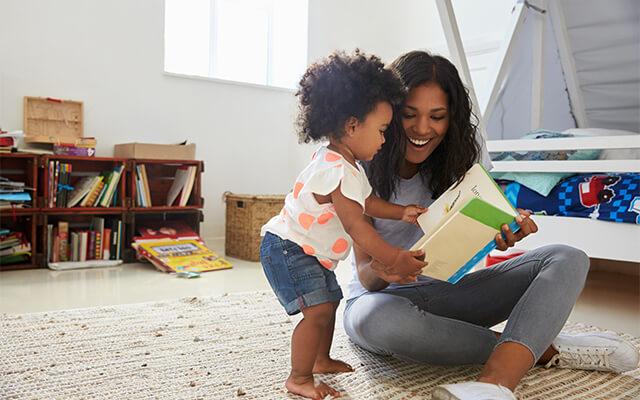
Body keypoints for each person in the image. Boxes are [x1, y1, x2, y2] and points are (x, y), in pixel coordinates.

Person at [343, 50, 640, 400]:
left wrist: (497, 236)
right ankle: (540, 348)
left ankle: (494, 386)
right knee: (375, 321)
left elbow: (473, 237)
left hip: (450, 292)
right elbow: (365, 274)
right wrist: (389, 268)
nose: (423, 129)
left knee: (568, 258)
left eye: (437, 117)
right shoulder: (360, 162)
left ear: (451, 119)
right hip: (382, 299)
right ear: (389, 114)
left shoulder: (464, 156)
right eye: (409, 115)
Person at [259, 50, 428, 400]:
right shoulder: (335, 170)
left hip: (306, 250)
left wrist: (401, 212)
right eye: (382, 130)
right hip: (288, 248)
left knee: (330, 301)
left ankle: (320, 358)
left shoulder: (346, 165)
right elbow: (357, 227)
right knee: (317, 311)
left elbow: (367, 204)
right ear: (352, 126)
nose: (384, 140)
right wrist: (394, 258)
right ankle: (299, 377)